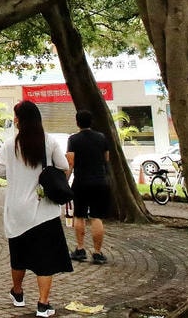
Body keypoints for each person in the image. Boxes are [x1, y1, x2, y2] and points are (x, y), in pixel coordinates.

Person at [0, 100, 71, 318]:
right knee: (45, 261)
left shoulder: (10, 145)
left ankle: (18, 293)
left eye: (16, 116)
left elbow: (0, 171)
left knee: (18, 255)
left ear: (21, 120)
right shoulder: (49, 142)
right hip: (44, 210)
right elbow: (64, 167)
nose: (15, 120)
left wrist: (16, 171)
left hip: (17, 210)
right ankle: (43, 304)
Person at [66, 109, 112, 265]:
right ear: (91, 122)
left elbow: (70, 163)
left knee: (79, 215)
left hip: (81, 182)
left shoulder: (73, 139)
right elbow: (106, 158)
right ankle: (98, 253)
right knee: (96, 216)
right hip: (100, 182)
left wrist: (65, 181)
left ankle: (80, 249)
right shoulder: (101, 138)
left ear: (77, 122)